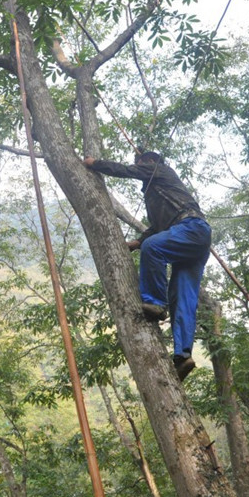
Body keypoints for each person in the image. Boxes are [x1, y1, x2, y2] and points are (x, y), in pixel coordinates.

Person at [83, 150, 212, 381]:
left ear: (150, 162)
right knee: (182, 297)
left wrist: (95, 163)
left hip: (192, 228)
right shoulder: (159, 196)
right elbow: (157, 227)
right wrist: (136, 243)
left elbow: (126, 170)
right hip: (192, 239)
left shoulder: (159, 170)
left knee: (153, 247)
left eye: (141, 162)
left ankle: (155, 303)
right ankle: (183, 356)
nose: (139, 166)